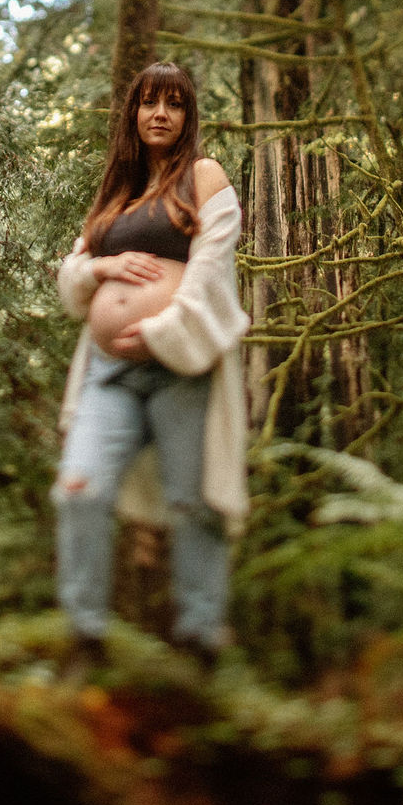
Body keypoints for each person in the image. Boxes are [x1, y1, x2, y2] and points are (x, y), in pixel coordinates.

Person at [53, 61, 250, 677]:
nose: (159, 114)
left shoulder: (204, 177)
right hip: (107, 374)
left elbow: (214, 269)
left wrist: (161, 331)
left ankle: (199, 639)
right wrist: (100, 271)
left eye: (174, 104)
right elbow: (70, 276)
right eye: (148, 103)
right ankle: (85, 636)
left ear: (189, 116)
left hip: (180, 370)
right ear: (133, 114)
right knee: (78, 491)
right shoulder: (117, 188)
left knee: (194, 504)